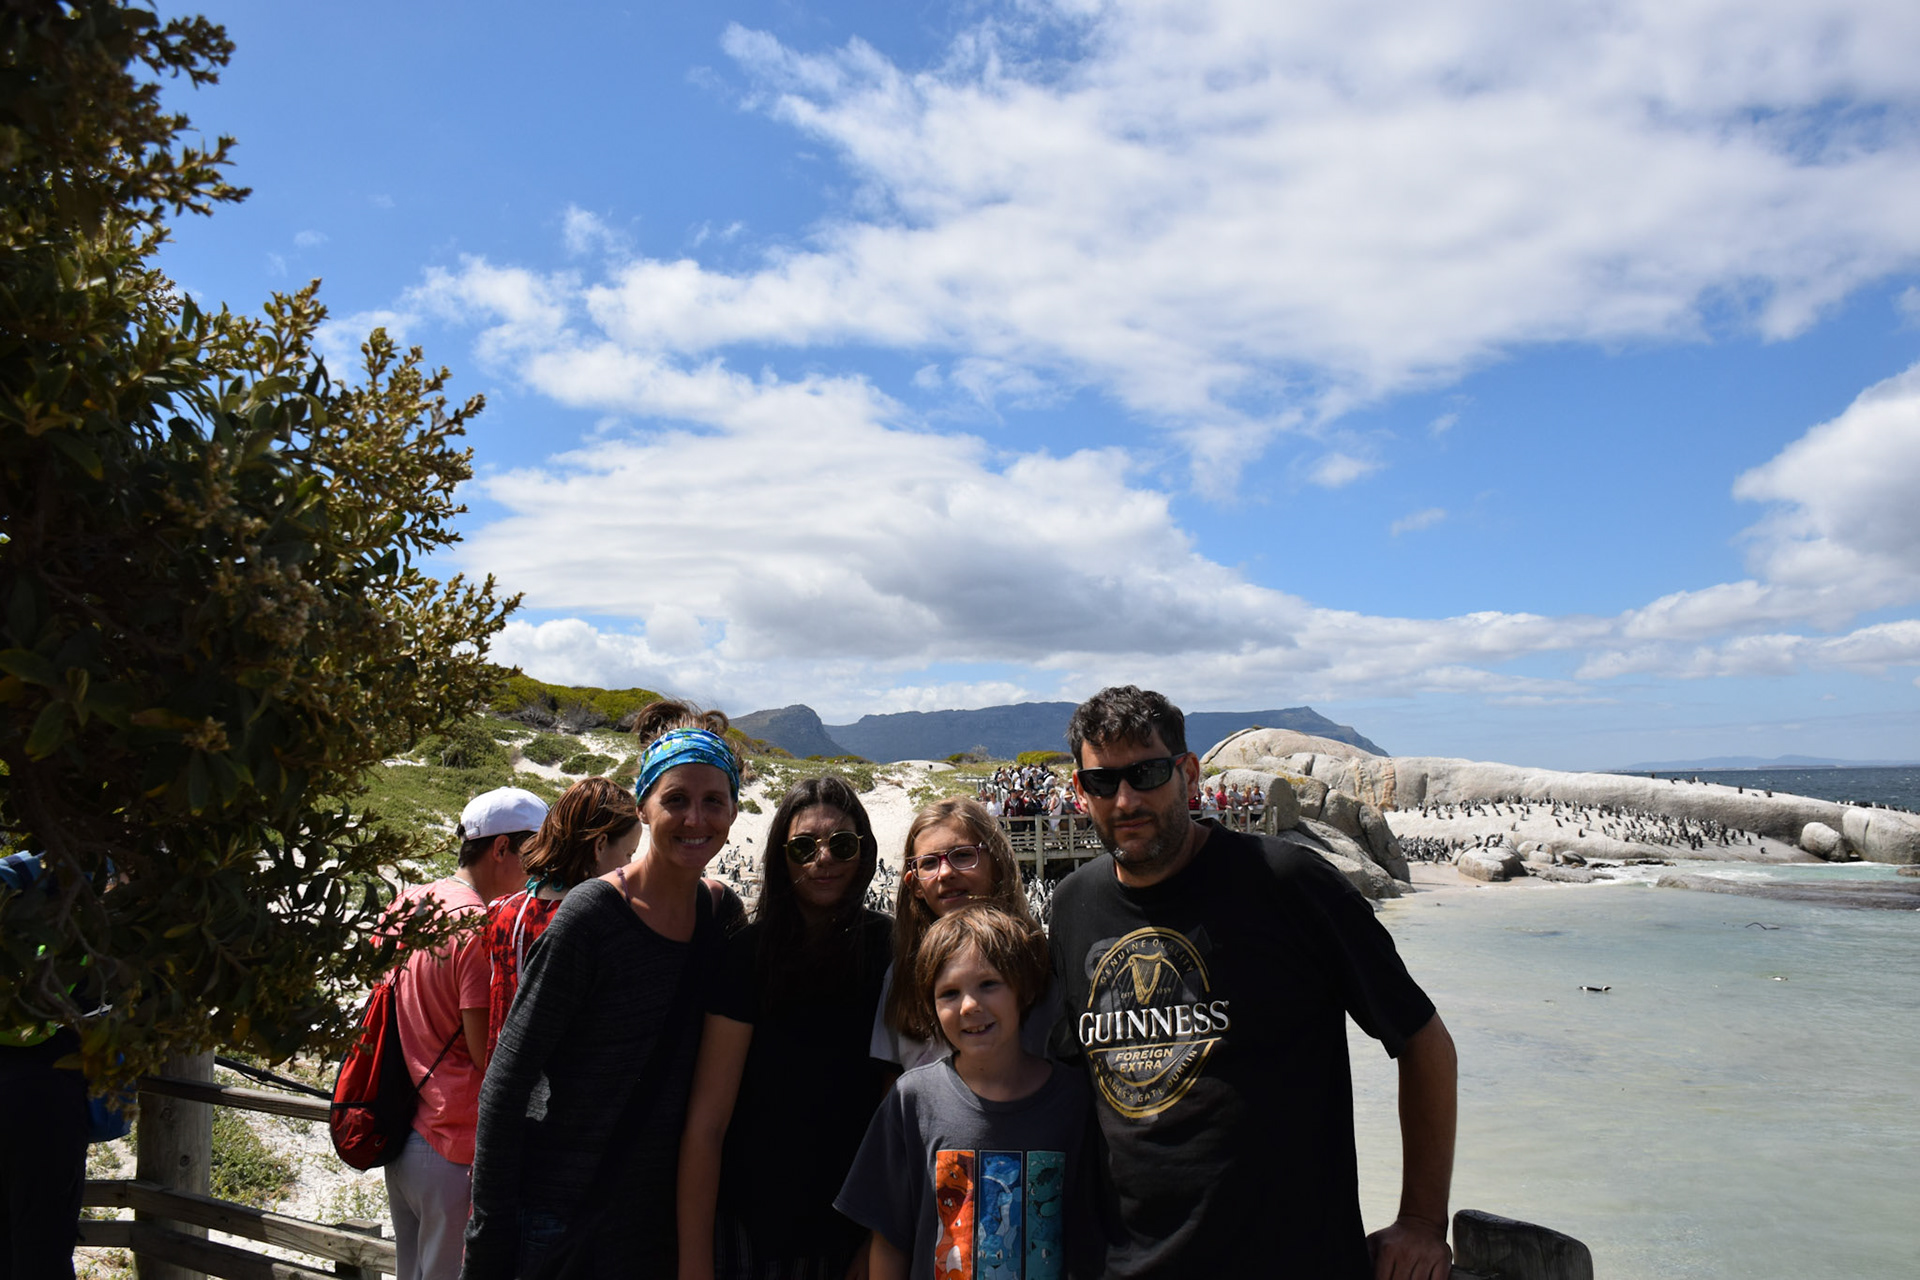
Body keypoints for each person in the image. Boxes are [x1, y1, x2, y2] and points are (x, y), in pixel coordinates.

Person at [1048, 686, 1457, 1279]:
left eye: (1147, 773)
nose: (1126, 799)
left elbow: (1423, 1040)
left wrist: (1420, 1220)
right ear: (1081, 791)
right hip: (1120, 1264)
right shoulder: (1072, 905)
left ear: (1189, 774)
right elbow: (1064, 1080)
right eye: (1102, 782)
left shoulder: (1287, 883)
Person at [463, 704, 741, 1279]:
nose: (696, 818)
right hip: (562, 1217)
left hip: (657, 1223)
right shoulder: (592, 915)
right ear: (643, 807)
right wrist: (488, 1242)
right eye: (676, 799)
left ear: (734, 810)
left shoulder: (722, 915)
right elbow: (506, 1084)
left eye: (714, 800)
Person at [678, 776, 895, 1280]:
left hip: (852, 1226)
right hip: (751, 1226)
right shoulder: (747, 955)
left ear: (863, 852)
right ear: (782, 856)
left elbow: (897, 1113)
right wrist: (694, 1261)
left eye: (842, 845)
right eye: (804, 847)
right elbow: (708, 1124)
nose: (824, 859)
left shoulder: (890, 949)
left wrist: (879, 1237)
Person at [836, 904, 1100, 1280]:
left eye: (989, 984)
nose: (970, 1006)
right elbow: (890, 1242)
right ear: (930, 1006)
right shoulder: (912, 1100)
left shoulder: (1074, 1098)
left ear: (1024, 990)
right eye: (949, 993)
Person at [388, 785, 547, 1280]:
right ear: (502, 849)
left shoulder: (412, 901)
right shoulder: (478, 926)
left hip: (402, 1130)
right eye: (536, 853)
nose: (540, 869)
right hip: (454, 1145)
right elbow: (486, 1055)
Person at [872, 797, 1059, 1071]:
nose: (945, 872)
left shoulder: (1041, 961)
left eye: (962, 855)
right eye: (929, 863)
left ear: (997, 863)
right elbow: (890, 1078)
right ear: (915, 885)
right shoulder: (902, 974)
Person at [482, 776, 642, 1060]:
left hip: (501, 1074)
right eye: (628, 854)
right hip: (559, 1082)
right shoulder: (598, 923)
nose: (629, 867)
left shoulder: (501, 910)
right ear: (600, 845)